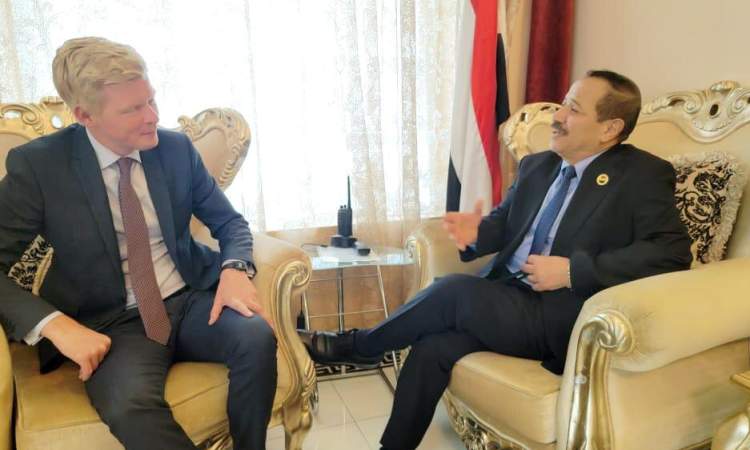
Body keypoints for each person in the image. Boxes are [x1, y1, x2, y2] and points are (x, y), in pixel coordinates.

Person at [299, 70, 693, 450]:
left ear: (610, 129)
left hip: (556, 314)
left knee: (453, 291)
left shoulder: (641, 175)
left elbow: (671, 252)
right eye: (562, 103)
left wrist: (574, 271)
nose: (557, 116)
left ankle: (359, 346)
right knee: (433, 347)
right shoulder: (538, 166)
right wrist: (475, 234)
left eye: (573, 109)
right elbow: (505, 223)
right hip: (507, 296)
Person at [0, 37, 276, 450]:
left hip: (188, 298)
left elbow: (229, 222)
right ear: (84, 115)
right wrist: (55, 325)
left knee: (256, 337)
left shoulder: (175, 149)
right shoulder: (40, 167)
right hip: (111, 324)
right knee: (129, 405)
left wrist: (235, 269)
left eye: (151, 100)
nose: (152, 117)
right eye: (132, 109)